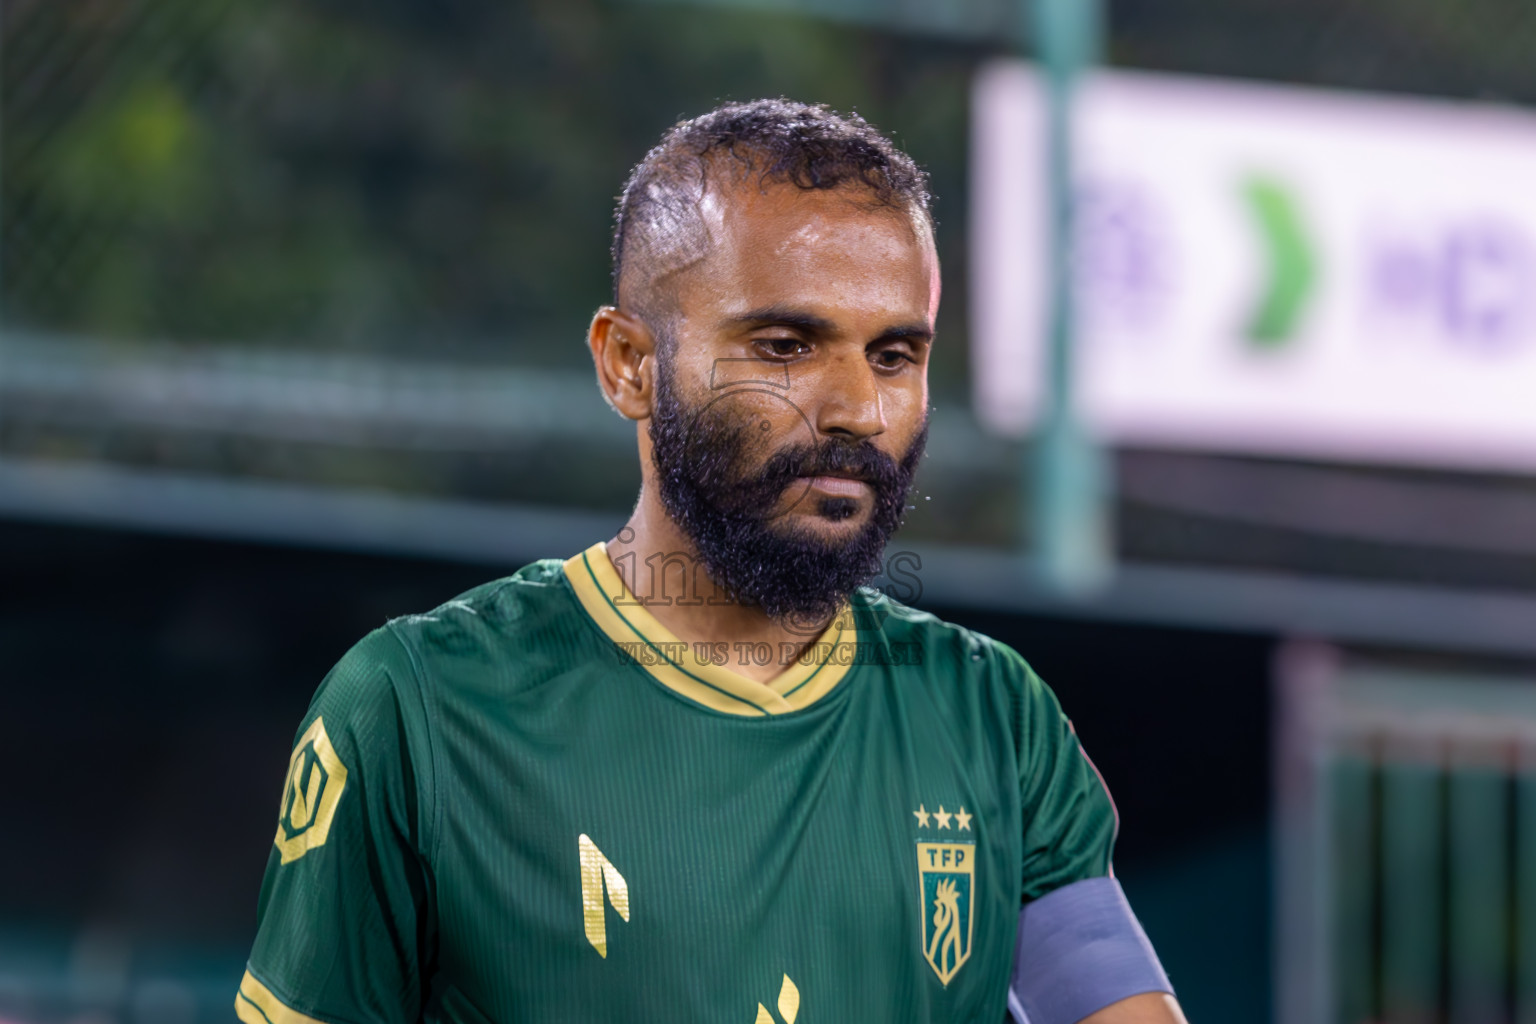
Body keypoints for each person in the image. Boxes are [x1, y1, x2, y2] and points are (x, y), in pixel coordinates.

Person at [235, 99, 1185, 1024]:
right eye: (784, 346)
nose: (858, 406)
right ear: (629, 365)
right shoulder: (417, 710)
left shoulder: (993, 718)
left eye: (895, 355)